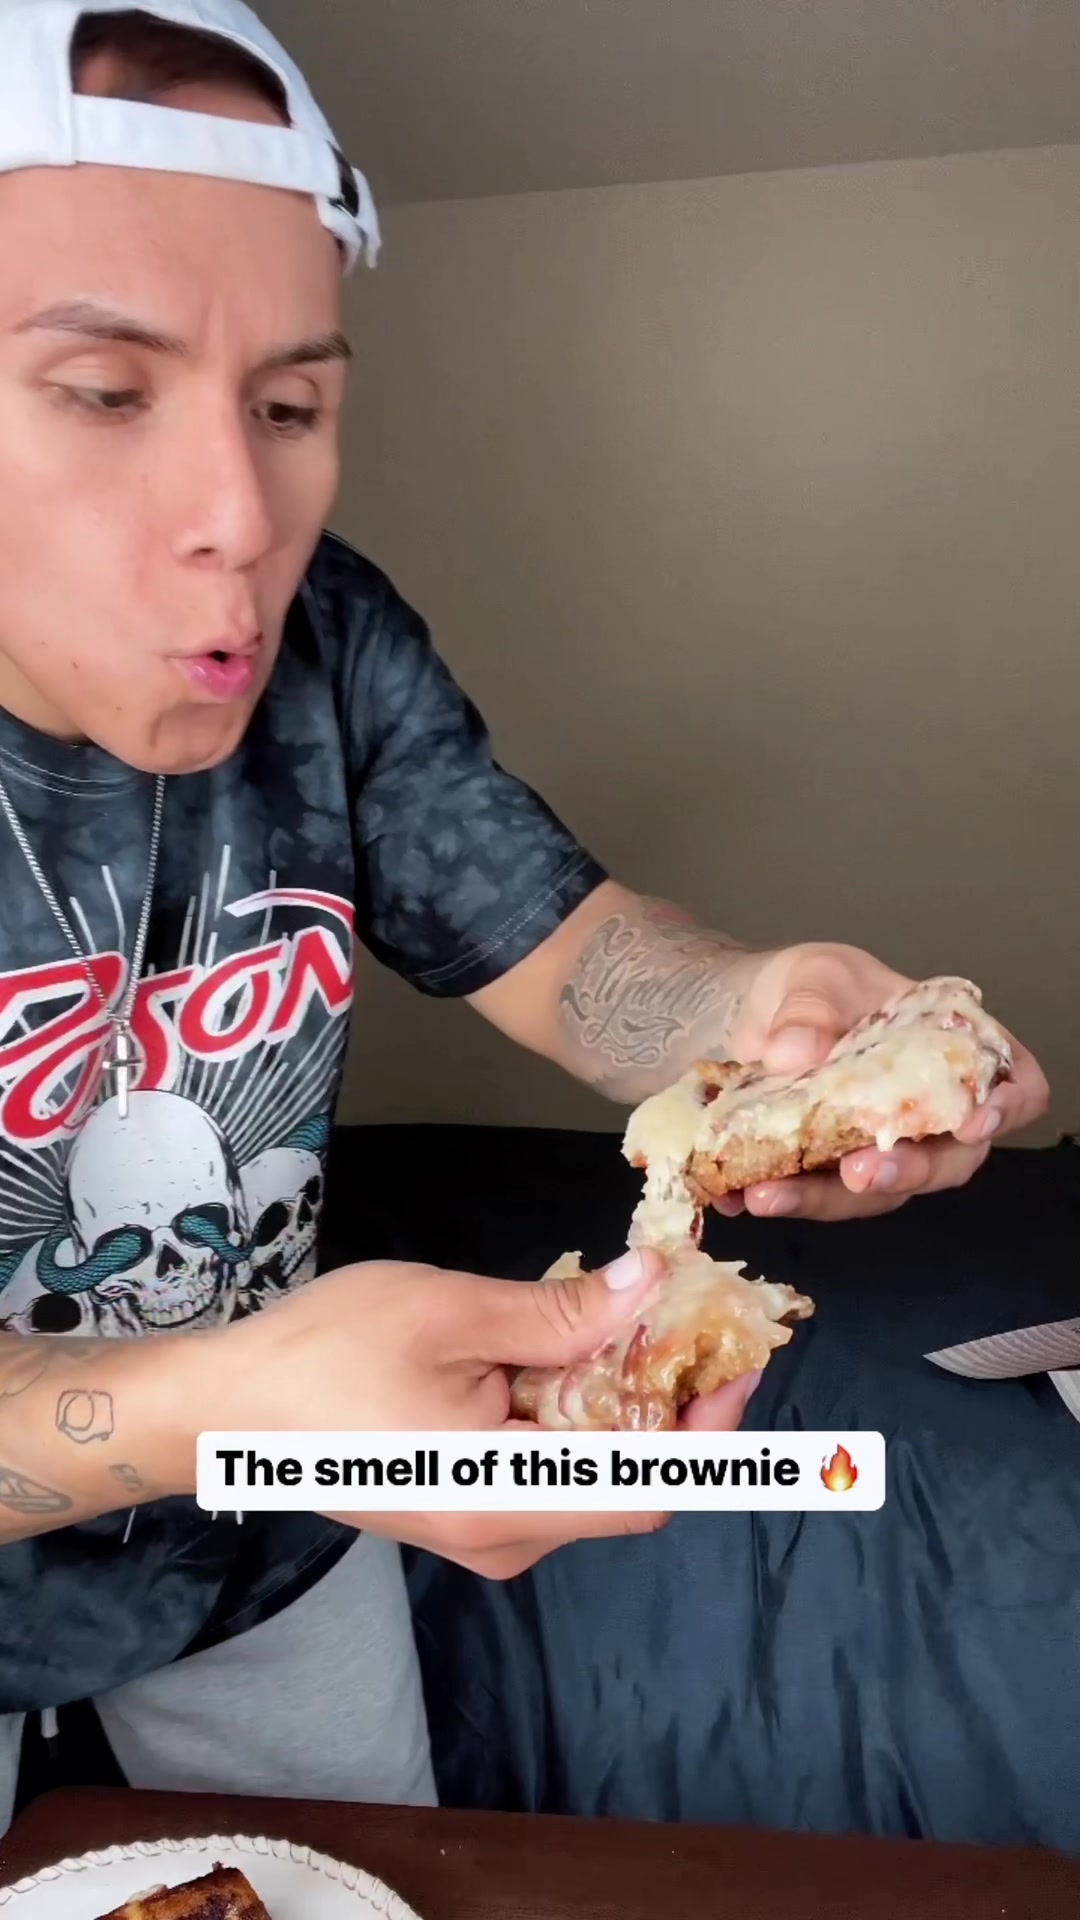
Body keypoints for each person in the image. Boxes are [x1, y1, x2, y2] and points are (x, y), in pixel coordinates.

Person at [0, 0, 1047, 1834]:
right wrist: (229, 1402)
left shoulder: (326, 636)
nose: (241, 516)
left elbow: (578, 960)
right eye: (103, 390)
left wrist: (767, 1019)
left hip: (275, 1535)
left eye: (293, 405)